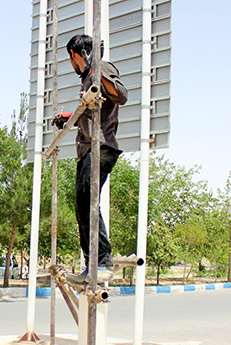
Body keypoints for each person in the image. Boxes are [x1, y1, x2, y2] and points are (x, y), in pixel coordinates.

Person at [64, 34, 128, 284]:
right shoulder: (88, 78)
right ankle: (92, 263)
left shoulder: (101, 69)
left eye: (72, 59)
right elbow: (93, 113)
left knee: (87, 203)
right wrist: (70, 117)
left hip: (101, 148)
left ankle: (103, 261)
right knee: (82, 204)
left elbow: (120, 95)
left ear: (74, 55)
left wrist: (96, 66)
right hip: (88, 150)